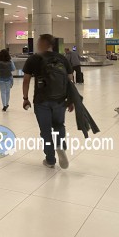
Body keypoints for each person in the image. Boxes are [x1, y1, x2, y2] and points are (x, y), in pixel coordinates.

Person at [23, 34, 74, 169]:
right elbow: (70, 81)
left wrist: (25, 98)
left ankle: (50, 160)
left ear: (42, 43)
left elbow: (26, 80)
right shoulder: (62, 58)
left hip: (41, 101)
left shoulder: (34, 59)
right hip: (60, 100)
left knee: (45, 131)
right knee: (59, 125)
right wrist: (71, 100)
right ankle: (60, 146)